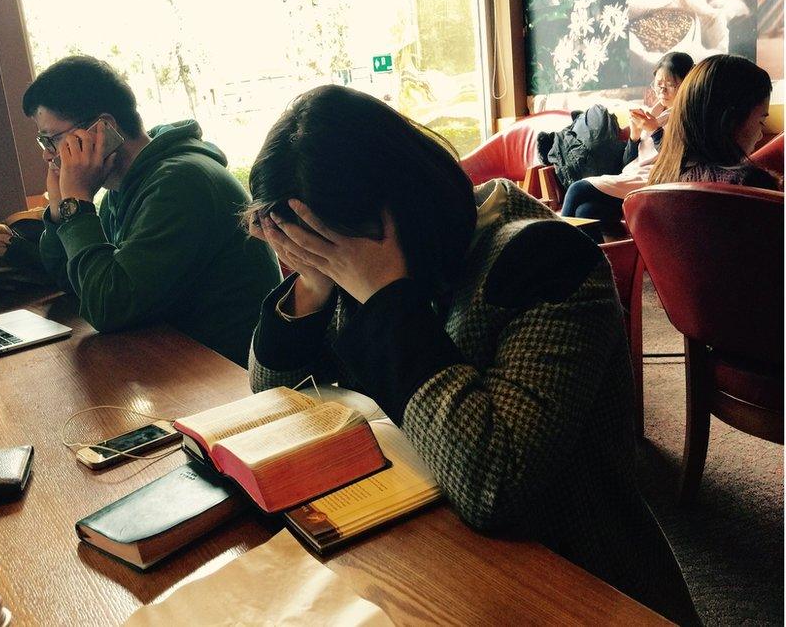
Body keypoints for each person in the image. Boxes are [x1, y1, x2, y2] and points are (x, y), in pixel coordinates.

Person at [244, 85, 700, 625]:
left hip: (578, 579)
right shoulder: (348, 256)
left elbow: (495, 486)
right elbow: (275, 399)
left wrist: (390, 301)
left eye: (322, 243)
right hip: (416, 556)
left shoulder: (544, 262)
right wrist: (311, 287)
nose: (316, 256)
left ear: (399, 206)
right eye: (298, 244)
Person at [22, 55, 281, 366]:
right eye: (43, 141)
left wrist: (77, 204)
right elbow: (70, 279)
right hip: (178, 363)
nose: (48, 154)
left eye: (54, 139)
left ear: (102, 127)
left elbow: (109, 308)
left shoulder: (180, 183)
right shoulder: (125, 189)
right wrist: (59, 206)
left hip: (229, 380)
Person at [562, 52, 695, 222]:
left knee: (578, 189)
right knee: (586, 211)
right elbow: (628, 164)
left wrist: (655, 131)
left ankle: (553, 245)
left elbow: (676, 161)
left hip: (657, 180)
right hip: (633, 176)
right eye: (658, 84)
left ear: (687, 84)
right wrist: (634, 136)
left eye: (670, 85)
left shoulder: (688, 117)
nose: (662, 90)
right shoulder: (652, 114)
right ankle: (589, 249)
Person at [650, 54, 781, 189]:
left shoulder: (660, 176)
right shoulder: (750, 183)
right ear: (730, 121)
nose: (760, 135)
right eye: (761, 122)